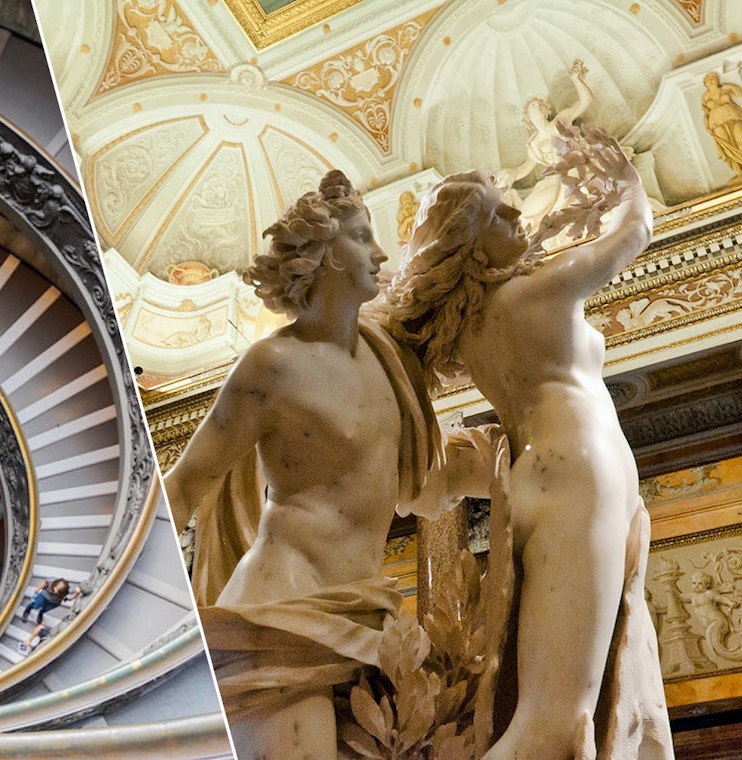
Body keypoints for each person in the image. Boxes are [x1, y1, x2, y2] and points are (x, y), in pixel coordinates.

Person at [385, 132, 673, 758]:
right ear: (471, 246)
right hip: (580, 475)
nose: (518, 213)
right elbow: (635, 233)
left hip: (545, 478)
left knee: (570, 707)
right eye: (499, 212)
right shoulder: (534, 292)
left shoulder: (473, 326)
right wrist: (625, 183)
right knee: (556, 722)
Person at [162, 170, 438, 760]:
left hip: (366, 617)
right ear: (323, 255)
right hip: (282, 610)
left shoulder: (389, 358)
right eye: (362, 236)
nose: (380, 252)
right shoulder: (272, 365)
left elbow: (416, 488)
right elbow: (183, 487)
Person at [496, 59, 593, 233]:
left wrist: (576, 79)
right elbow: (525, 168)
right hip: (554, 178)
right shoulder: (533, 143)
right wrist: (508, 175)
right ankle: (534, 226)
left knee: (564, 192)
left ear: (545, 110)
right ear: (527, 117)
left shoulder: (560, 120)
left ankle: (557, 218)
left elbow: (585, 101)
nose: (535, 107)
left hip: (573, 168)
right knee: (526, 213)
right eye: (531, 107)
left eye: (537, 104)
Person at [702, 70, 742, 179]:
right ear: (705, 84)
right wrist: (707, 127)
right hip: (716, 123)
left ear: (717, 80)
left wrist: (728, 86)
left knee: (740, 137)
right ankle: (738, 169)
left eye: (713, 78)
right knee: (726, 145)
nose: (711, 81)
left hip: (733, 116)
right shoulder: (705, 97)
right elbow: (706, 114)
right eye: (708, 80)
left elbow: (740, 93)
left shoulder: (725, 89)